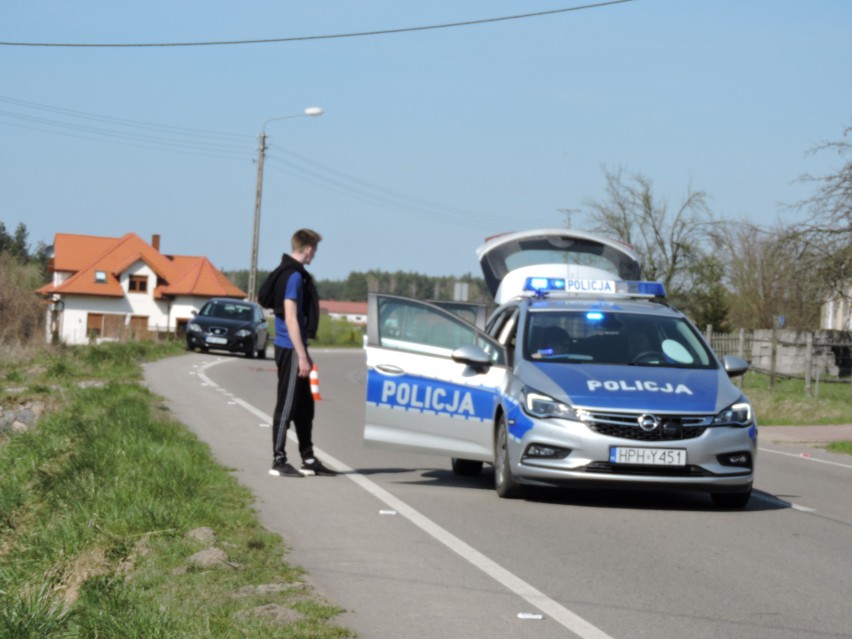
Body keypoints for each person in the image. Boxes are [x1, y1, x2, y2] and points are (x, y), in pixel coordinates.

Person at [269, 228, 337, 477]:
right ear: (309, 249)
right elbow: (290, 318)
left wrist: (304, 354)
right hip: (289, 348)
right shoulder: (293, 277)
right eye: (315, 250)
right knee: (286, 405)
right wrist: (301, 356)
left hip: (295, 347)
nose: (314, 255)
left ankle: (308, 459)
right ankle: (278, 460)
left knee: (305, 407)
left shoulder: (292, 273)